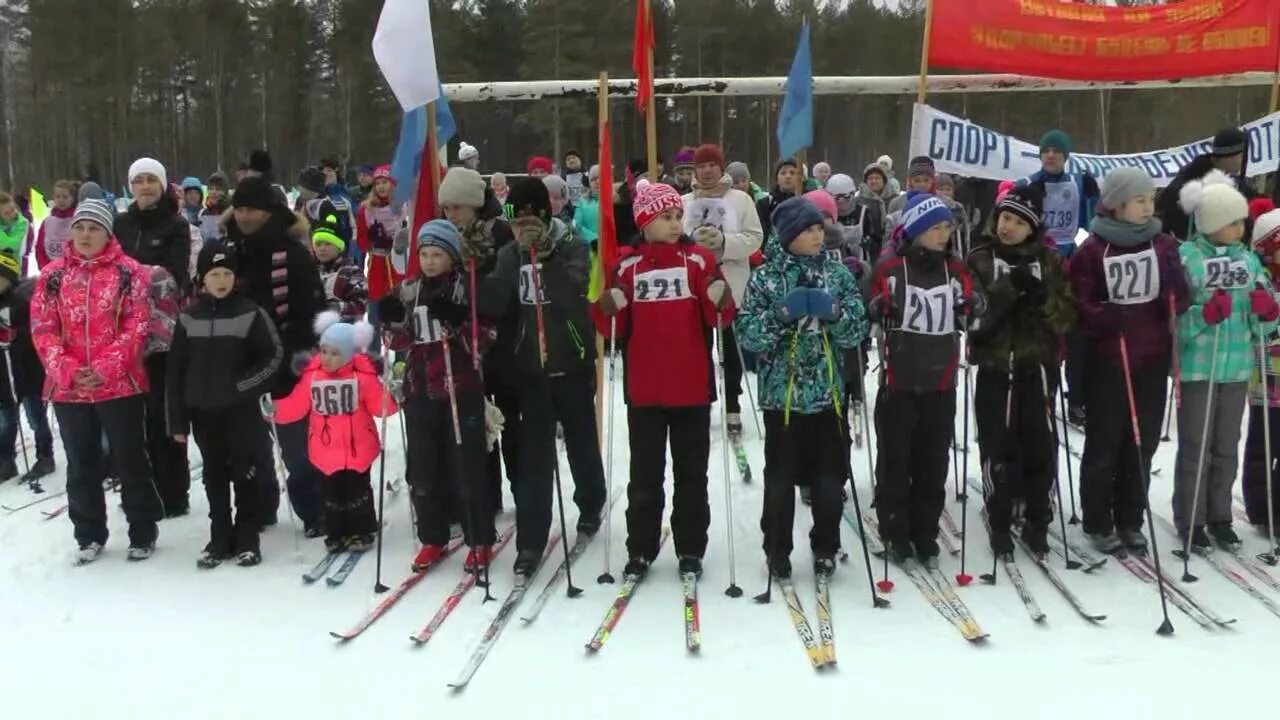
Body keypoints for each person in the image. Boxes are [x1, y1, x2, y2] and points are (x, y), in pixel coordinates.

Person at [593, 180, 735, 579]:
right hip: (646, 390)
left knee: (692, 474)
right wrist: (607, 306)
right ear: (644, 222)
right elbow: (612, 328)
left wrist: (719, 296)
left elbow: (720, 318)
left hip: (690, 387)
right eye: (664, 217)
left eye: (677, 216)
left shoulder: (699, 260)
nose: (674, 224)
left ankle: (690, 547)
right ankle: (640, 547)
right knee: (645, 475)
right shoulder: (627, 265)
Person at [737, 197, 867, 578]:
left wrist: (837, 315)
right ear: (789, 234)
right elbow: (748, 335)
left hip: (828, 398)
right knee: (779, 482)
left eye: (819, 229)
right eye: (808, 230)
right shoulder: (767, 277)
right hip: (784, 398)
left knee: (829, 480)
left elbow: (858, 330)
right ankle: (776, 549)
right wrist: (782, 315)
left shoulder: (837, 273)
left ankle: (826, 544)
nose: (817, 235)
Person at [32, 199, 160, 563]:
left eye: (95, 228)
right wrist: (69, 371)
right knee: (81, 462)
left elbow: (137, 325)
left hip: (120, 385)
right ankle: (88, 533)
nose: (86, 235)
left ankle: (142, 529)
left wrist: (105, 367)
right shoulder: (52, 276)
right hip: (69, 389)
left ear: (108, 234)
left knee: (130, 457)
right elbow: (44, 330)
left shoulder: (129, 272)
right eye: (80, 227)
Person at [490, 178, 606, 576]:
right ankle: (530, 541)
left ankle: (591, 502)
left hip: (570, 361)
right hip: (530, 370)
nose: (523, 226)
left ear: (545, 214)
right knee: (534, 458)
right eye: (515, 218)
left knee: (580, 443)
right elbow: (499, 302)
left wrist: (548, 256)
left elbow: (576, 292)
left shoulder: (572, 244)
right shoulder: (508, 253)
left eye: (530, 218)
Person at [1069, 167, 1189, 554]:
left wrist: (1174, 291)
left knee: (1142, 443)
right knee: (1105, 443)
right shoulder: (1093, 248)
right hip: (1109, 362)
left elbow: (1181, 297)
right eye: (1139, 200)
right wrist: (1107, 316)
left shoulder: (1163, 245)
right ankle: (1098, 519)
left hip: (1150, 359)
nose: (1146, 207)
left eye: (1149, 200)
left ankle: (1130, 518)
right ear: (1117, 204)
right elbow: (1080, 305)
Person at [867, 193, 978, 566]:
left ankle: (925, 532)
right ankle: (895, 530)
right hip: (899, 381)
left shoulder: (956, 269)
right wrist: (878, 307)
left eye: (948, 227)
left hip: (941, 382)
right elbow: (872, 302)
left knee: (933, 463)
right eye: (935, 228)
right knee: (896, 461)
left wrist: (973, 308)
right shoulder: (891, 268)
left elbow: (972, 308)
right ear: (915, 231)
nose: (944, 234)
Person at [380, 220, 498, 571]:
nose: (430, 261)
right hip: (419, 391)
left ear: (451, 256)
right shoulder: (409, 290)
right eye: (424, 254)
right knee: (423, 470)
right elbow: (397, 342)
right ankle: (432, 536)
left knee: (466, 468)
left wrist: (459, 322)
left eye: (437, 254)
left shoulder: (467, 288)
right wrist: (391, 323)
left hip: (459, 388)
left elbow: (485, 340)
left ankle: (479, 538)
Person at [965, 186, 1076, 557]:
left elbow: (1067, 316)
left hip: (1037, 365)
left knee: (1039, 443)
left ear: (1033, 227)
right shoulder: (979, 258)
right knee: (997, 442)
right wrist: (1007, 289)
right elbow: (974, 317)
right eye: (1004, 219)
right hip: (997, 365)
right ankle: (999, 517)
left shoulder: (1050, 260)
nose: (1008, 227)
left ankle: (1037, 517)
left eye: (1018, 222)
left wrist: (1043, 298)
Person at [1173, 170, 1276, 552]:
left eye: (1242, 222)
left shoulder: (1248, 262)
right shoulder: (1189, 260)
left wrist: (1267, 312)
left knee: (1227, 443)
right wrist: (1203, 314)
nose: (1240, 228)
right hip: (1200, 367)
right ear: (1213, 223)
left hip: (1235, 368)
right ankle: (1191, 517)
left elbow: (1263, 316)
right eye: (1234, 222)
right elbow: (1176, 320)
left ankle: (1219, 514)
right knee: (1196, 444)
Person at [222, 174, 327, 535]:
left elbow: (313, 309)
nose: (245, 217)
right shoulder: (232, 251)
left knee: (295, 446)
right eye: (239, 210)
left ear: (269, 211)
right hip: (243, 363)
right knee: (250, 446)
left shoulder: (292, 253)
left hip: (287, 363)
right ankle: (260, 506)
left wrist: (296, 353)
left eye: (251, 210)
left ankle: (314, 509)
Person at [167, 245, 282, 568]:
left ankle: (248, 537)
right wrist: (177, 421)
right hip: (203, 412)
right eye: (214, 274)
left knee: (245, 472)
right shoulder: (189, 316)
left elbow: (271, 357)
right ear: (202, 278)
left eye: (227, 274)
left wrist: (242, 386)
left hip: (241, 411)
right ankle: (220, 536)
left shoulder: (249, 312)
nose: (221, 280)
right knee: (214, 475)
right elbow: (175, 371)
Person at [271, 313, 396, 553]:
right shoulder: (312, 376)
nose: (327, 358)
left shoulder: (363, 377)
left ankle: (362, 529)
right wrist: (274, 410)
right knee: (331, 494)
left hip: (358, 445)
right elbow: (296, 406)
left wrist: (393, 396)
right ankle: (337, 532)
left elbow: (381, 408)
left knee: (357, 489)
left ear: (349, 354)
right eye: (324, 351)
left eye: (335, 353)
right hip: (325, 448)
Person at [435, 167, 520, 517]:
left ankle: (522, 489)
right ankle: (484, 495)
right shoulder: (447, 235)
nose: (450, 214)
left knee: (510, 422)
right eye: (446, 208)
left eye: (456, 207)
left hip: (505, 340)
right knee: (475, 422)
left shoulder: (499, 233)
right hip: (467, 345)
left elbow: (506, 287)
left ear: (473, 204)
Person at [113, 157, 193, 517]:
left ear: (162, 185)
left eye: (151, 180)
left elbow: (175, 276)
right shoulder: (120, 223)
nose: (144, 186)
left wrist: (133, 279)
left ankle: (174, 491)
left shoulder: (176, 224)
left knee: (164, 412)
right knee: (134, 414)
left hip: (163, 332)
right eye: (138, 180)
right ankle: (141, 489)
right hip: (121, 331)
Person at [1018, 130, 1100, 427]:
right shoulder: (1029, 184)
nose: (1050, 155)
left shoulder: (1077, 182)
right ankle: (1043, 397)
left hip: (1072, 266)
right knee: (1045, 339)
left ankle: (1077, 399)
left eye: (1056, 151)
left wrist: (1095, 195)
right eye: (1046, 150)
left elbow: (1094, 220)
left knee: (1076, 338)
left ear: (1066, 156)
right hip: (1038, 267)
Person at [681, 144, 764, 436]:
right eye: (701, 166)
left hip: (731, 281)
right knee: (699, 348)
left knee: (730, 349)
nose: (706, 171)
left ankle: (733, 404)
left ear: (721, 167)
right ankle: (702, 400)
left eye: (711, 165)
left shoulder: (740, 199)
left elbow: (755, 237)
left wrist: (724, 242)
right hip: (695, 285)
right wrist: (694, 242)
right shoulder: (684, 201)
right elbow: (674, 239)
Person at [0, 250, 53, 484]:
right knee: (6, 420)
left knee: (35, 417)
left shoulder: (22, 300)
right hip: (4, 376)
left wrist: (15, 334)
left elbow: (37, 333)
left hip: (27, 372)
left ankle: (45, 455)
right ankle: (6, 460)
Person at [1244, 208, 1280, 525]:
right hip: (1265, 377)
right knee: (1262, 445)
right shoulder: (1259, 280)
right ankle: (1258, 507)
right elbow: (1257, 324)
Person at [1160, 127, 1255, 242]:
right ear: (1229, 156)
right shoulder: (1187, 182)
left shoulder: (1235, 183)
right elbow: (1172, 221)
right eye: (1241, 157)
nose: (1242, 162)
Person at [356, 165, 405, 352]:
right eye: (378, 183)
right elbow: (361, 241)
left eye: (385, 182)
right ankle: (373, 353)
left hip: (397, 263)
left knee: (399, 310)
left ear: (392, 184)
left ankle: (402, 353)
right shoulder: (366, 210)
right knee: (375, 312)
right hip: (377, 263)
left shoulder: (402, 207)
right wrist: (371, 239)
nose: (381, 187)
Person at [313, 216, 368, 324]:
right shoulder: (311, 272)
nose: (322, 249)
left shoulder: (351, 272)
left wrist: (332, 307)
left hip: (344, 332)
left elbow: (361, 304)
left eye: (328, 244)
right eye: (318, 244)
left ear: (339, 247)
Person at [756, 158, 805, 243]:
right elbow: (760, 234)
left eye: (792, 173)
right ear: (777, 178)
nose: (788, 176)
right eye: (783, 173)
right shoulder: (765, 204)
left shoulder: (807, 203)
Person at [320, 156, 358, 263]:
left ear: (336, 172)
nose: (326, 174)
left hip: (343, 253)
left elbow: (354, 227)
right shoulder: (316, 197)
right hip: (319, 252)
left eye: (329, 170)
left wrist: (352, 252)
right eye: (322, 172)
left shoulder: (346, 197)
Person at [35, 180, 77, 270]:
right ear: (53, 198)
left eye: (65, 197)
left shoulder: (78, 221)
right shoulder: (47, 222)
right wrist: (45, 267)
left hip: (72, 270)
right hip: (50, 269)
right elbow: (40, 248)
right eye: (58, 197)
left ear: (72, 198)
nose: (61, 200)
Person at [0, 192, 31, 275]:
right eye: (6, 213)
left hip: (12, 268)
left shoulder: (22, 223)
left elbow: (11, 246)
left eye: (13, 210)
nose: (12, 215)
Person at [198, 172, 231, 245]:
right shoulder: (203, 212)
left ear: (225, 192)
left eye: (218, 189)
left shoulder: (231, 212)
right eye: (211, 189)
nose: (213, 192)